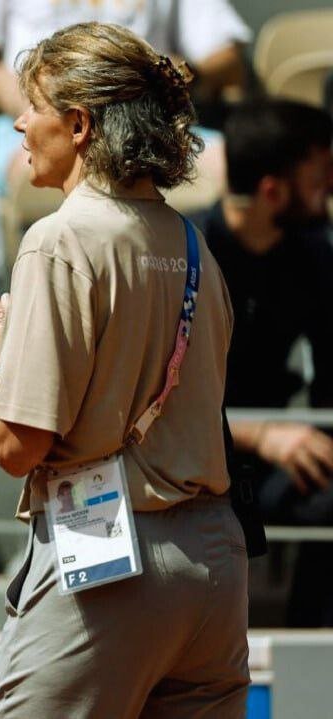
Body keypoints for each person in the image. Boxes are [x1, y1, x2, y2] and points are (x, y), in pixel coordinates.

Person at [0, 23, 247, 716]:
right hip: (216, 564)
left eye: (31, 105)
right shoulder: (194, 244)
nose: (17, 121)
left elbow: (19, 445)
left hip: (111, 559)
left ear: (78, 125)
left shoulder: (58, 238)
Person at [192, 100, 333, 626]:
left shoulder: (315, 255)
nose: (330, 187)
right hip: (186, 456)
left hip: (276, 454)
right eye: (320, 175)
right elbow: (151, 403)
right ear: (273, 191)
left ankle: (313, 650)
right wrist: (262, 433)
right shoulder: (184, 253)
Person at [0, 0, 250, 197]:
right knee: (46, 178)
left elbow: (227, 58)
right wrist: (0, 83)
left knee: (233, 168)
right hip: (42, 123)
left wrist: (173, 74)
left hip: (146, 122)